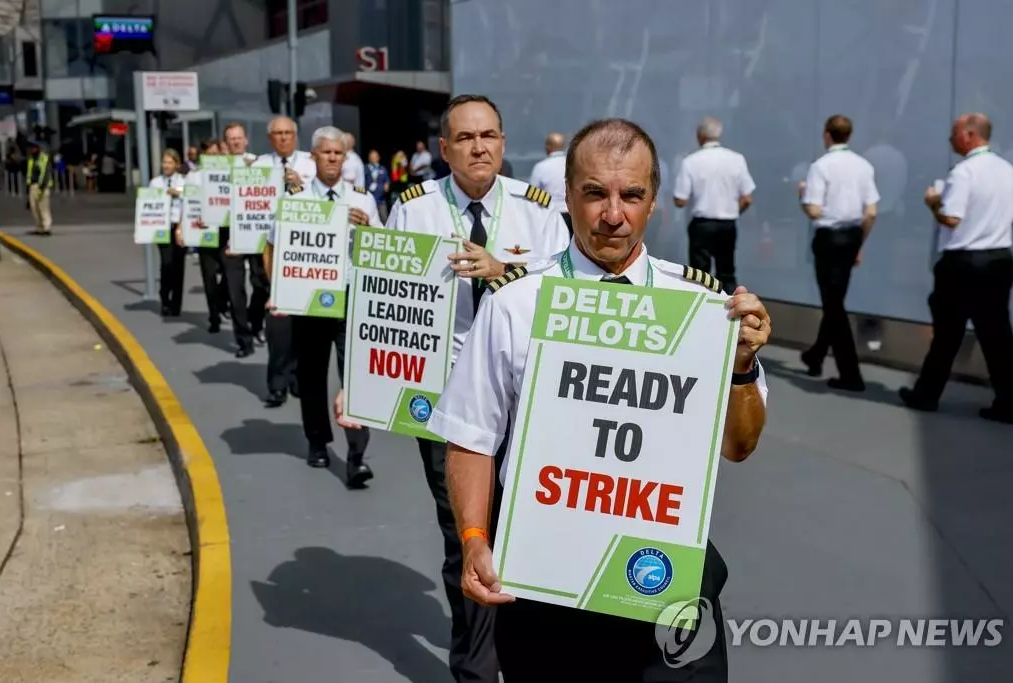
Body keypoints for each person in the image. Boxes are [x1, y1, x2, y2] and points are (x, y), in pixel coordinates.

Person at [426, 117, 771, 683]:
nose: (614, 214)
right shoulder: (517, 303)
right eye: (595, 194)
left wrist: (740, 366)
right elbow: (471, 435)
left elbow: (739, 445)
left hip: (666, 581)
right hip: (546, 584)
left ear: (654, 201)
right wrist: (472, 539)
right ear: (567, 195)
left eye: (631, 195)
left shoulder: (702, 310)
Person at [348, 94, 570, 683]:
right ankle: (475, 670)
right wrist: (358, 384)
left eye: (490, 136)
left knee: (526, 530)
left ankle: (526, 651)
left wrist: (506, 271)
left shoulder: (538, 209)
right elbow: (386, 305)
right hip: (444, 400)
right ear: (444, 149)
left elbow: (566, 295)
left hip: (525, 399)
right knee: (464, 536)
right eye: (466, 138)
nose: (480, 147)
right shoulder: (414, 208)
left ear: (503, 143)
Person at [262, 126, 381, 483]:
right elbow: (271, 247)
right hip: (311, 303)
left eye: (338, 154)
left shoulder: (362, 201)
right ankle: (317, 441)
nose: (333, 159)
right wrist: (278, 290)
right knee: (312, 375)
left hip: (351, 300)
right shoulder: (295, 202)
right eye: (326, 153)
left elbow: (382, 253)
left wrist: (368, 232)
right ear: (313, 156)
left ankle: (357, 453)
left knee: (356, 379)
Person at [901, 113, 1013, 424]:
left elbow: (951, 217)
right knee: (998, 334)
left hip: (964, 262)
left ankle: (926, 394)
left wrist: (932, 202)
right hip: (999, 258)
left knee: (948, 333)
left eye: (954, 134)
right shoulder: (1008, 170)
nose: (951, 140)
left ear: (969, 135)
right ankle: (1008, 400)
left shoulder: (964, 172)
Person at [797, 114, 879, 391]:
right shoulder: (864, 166)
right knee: (835, 299)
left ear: (827, 134)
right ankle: (816, 355)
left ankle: (850, 373)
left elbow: (814, 209)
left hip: (829, 238)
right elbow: (871, 212)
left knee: (833, 306)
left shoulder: (821, 166)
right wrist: (860, 245)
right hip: (853, 235)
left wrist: (802, 196)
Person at [252, 115, 317, 408]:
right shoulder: (259, 166)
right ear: (270, 138)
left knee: (304, 324)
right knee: (277, 323)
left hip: (304, 254)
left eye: (287, 133)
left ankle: (297, 378)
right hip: (270, 250)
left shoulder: (311, 164)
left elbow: (323, 204)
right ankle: (276, 383)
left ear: (295, 135)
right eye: (276, 133)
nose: (282, 138)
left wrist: (299, 185)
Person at [673, 116, 755, 294]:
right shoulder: (737, 159)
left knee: (700, 277)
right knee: (727, 273)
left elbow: (680, 200)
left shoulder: (690, 162)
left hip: (702, 224)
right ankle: (729, 316)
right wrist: (733, 210)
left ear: (699, 135)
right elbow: (747, 198)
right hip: (727, 223)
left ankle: (700, 314)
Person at [220, 122, 264, 359]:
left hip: (255, 230)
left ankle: (255, 322)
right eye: (230, 139)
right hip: (229, 234)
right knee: (235, 289)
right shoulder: (217, 169)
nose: (235, 142)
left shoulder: (259, 163)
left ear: (246, 140)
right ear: (225, 143)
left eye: (239, 138)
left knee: (262, 283)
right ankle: (243, 340)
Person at [183, 139, 227, 334]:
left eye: (216, 154)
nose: (213, 158)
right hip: (204, 232)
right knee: (208, 277)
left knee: (229, 274)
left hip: (225, 233)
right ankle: (214, 317)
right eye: (209, 155)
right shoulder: (194, 176)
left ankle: (221, 301)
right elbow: (188, 203)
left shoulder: (229, 173)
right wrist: (182, 229)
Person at [150, 148, 186, 316]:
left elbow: (191, 200)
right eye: (164, 162)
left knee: (178, 266)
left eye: (170, 162)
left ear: (176, 164)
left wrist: (178, 193)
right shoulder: (155, 182)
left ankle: (176, 303)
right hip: (162, 227)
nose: (166, 165)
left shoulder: (184, 182)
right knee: (166, 264)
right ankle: (165, 299)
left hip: (179, 227)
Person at [529, 132, 568, 232]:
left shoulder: (540, 167)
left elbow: (532, 196)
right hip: (572, 216)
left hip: (550, 215)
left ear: (548, 147)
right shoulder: (572, 165)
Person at [26, 141, 53, 235]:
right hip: (32, 186)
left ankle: (46, 227)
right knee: (34, 208)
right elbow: (29, 173)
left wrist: (42, 187)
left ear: (38, 149)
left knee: (43, 207)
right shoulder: (31, 159)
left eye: (33, 148)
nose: (31, 150)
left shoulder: (43, 158)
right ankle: (39, 227)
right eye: (31, 148)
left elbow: (46, 173)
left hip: (42, 186)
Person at [364, 149, 391, 222]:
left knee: (384, 218)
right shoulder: (365, 168)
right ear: (369, 158)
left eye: (375, 157)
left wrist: (387, 184)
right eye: (372, 157)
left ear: (378, 158)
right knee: (369, 219)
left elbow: (387, 180)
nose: (373, 159)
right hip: (369, 199)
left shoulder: (382, 168)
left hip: (381, 199)